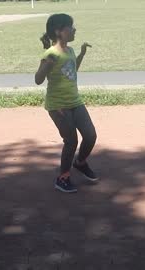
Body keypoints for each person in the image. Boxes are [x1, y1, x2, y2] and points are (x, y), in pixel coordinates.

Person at [35, 13, 98, 193]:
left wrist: (82, 54)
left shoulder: (69, 51)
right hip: (59, 106)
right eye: (70, 27)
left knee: (90, 135)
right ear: (59, 32)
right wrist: (48, 65)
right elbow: (38, 79)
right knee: (71, 141)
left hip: (75, 101)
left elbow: (72, 70)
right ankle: (62, 178)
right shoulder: (50, 54)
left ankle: (80, 162)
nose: (74, 29)